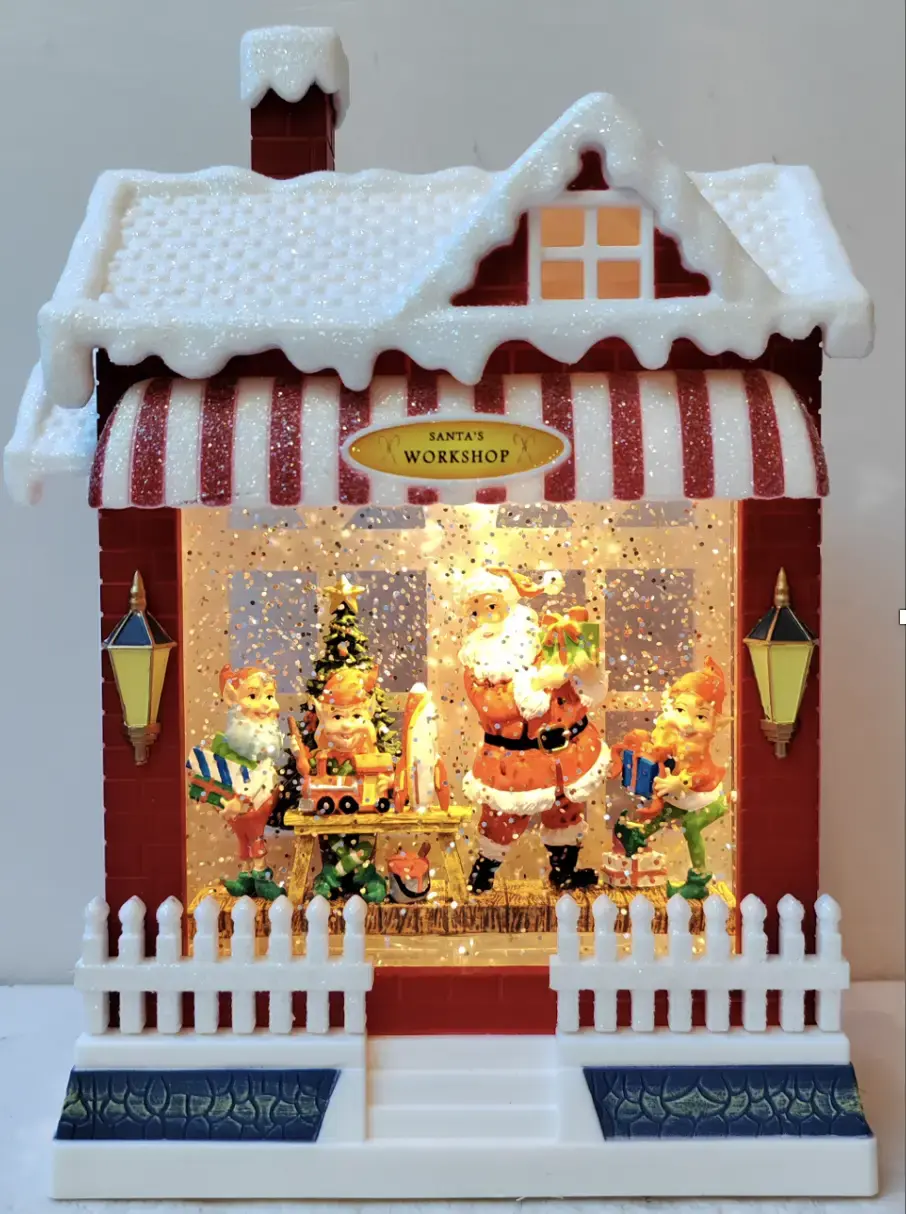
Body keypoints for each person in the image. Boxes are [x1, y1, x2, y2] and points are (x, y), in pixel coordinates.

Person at [457, 566, 608, 893]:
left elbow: (577, 687)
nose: (485, 616)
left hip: (567, 752)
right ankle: (483, 877)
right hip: (516, 761)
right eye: (475, 611)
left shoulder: (539, 637)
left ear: (509, 603)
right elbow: (494, 708)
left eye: (492, 605)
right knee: (502, 818)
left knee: (566, 810)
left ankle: (563, 873)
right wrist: (537, 682)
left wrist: (585, 668)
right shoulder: (478, 667)